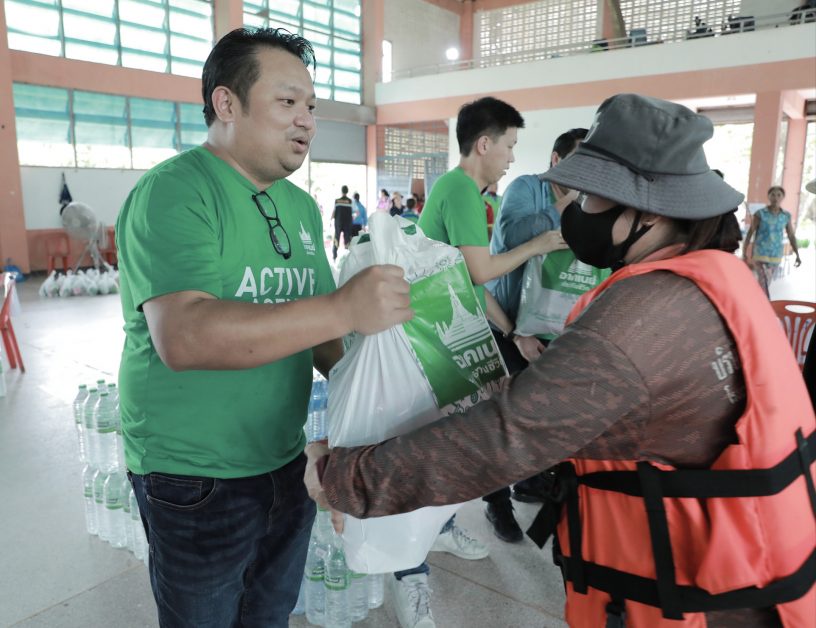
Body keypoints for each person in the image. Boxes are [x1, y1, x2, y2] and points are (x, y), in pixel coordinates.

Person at [306, 94, 816, 627]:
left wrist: (338, 475)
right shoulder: (717, 279)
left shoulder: (643, 319)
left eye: (593, 199)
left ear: (649, 212)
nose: (577, 211)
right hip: (748, 574)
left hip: (699, 600)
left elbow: (504, 438)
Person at [115, 27, 412, 628]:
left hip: (286, 459)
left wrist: (404, 379)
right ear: (227, 104)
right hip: (194, 475)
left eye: (310, 107)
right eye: (286, 102)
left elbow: (324, 338)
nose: (305, 121)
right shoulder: (174, 191)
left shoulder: (297, 205)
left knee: (269, 613)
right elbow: (186, 337)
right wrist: (345, 309)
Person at [480, 127, 588, 544]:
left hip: (554, 331)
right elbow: (514, 235)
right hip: (507, 324)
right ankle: (496, 503)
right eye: (582, 162)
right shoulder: (528, 188)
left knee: (539, 416)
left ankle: (529, 481)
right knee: (500, 420)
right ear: (559, 161)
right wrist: (567, 205)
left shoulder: (591, 203)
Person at [742, 185, 802, 297]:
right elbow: (750, 232)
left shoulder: (786, 216)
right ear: (768, 196)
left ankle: (753, 299)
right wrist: (744, 251)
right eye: (773, 194)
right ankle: (765, 304)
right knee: (763, 281)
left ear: (783, 197)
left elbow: (791, 235)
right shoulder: (761, 213)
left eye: (779, 195)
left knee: (765, 283)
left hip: (776, 255)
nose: (775, 197)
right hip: (760, 254)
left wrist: (797, 254)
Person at [332, 184, 354, 259]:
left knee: (336, 237)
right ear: (347, 191)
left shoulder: (337, 201)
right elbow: (354, 212)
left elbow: (334, 212)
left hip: (338, 222)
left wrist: (331, 219)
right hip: (347, 223)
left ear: (342, 191)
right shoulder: (350, 201)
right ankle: (348, 257)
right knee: (347, 239)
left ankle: (334, 256)